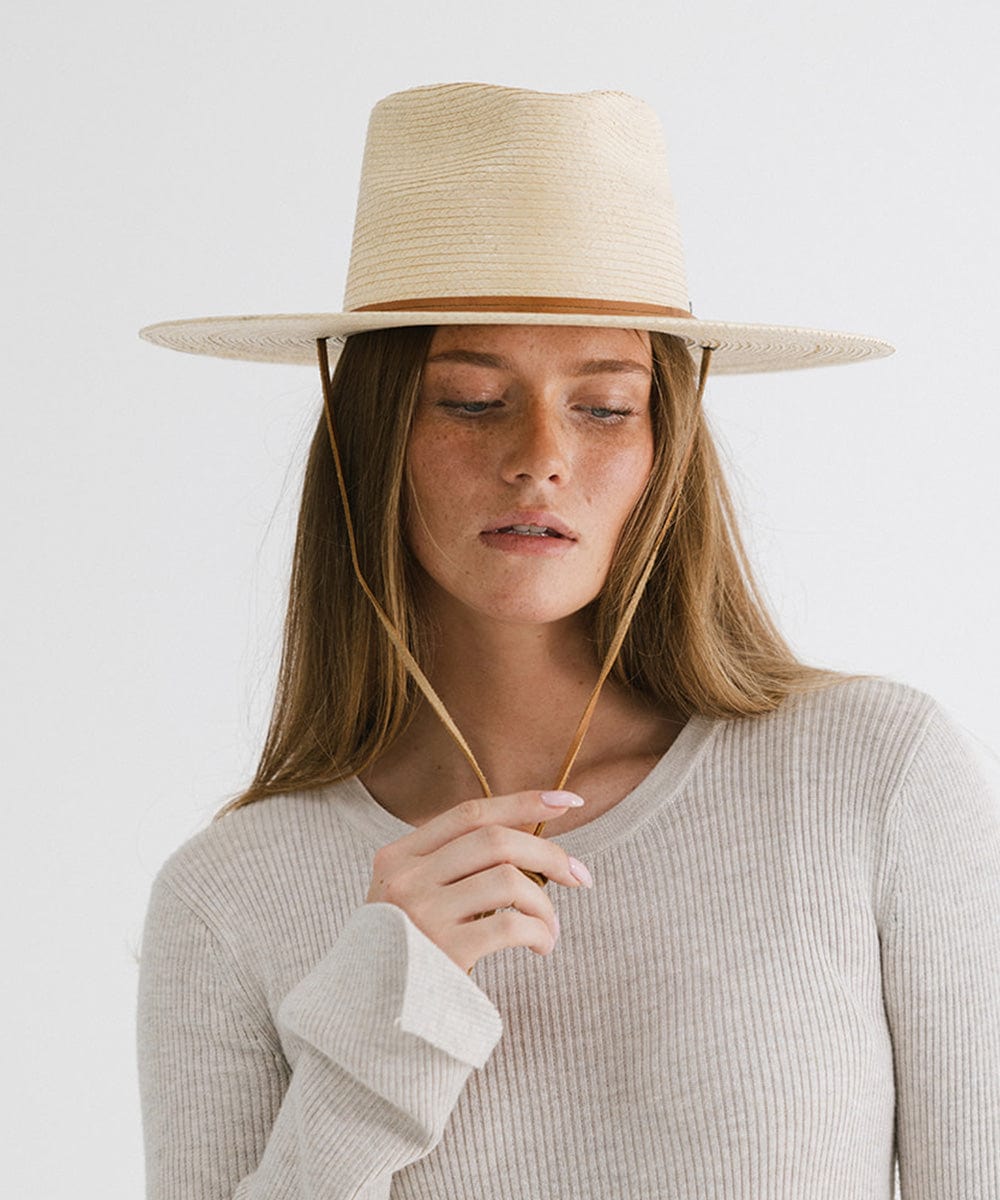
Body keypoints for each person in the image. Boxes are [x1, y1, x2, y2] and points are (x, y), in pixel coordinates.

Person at [135, 82, 1000, 1199]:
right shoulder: (229, 896)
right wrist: (374, 1042)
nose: (541, 457)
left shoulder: (870, 775)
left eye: (601, 408)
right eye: (469, 401)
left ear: (664, 451)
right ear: (371, 440)